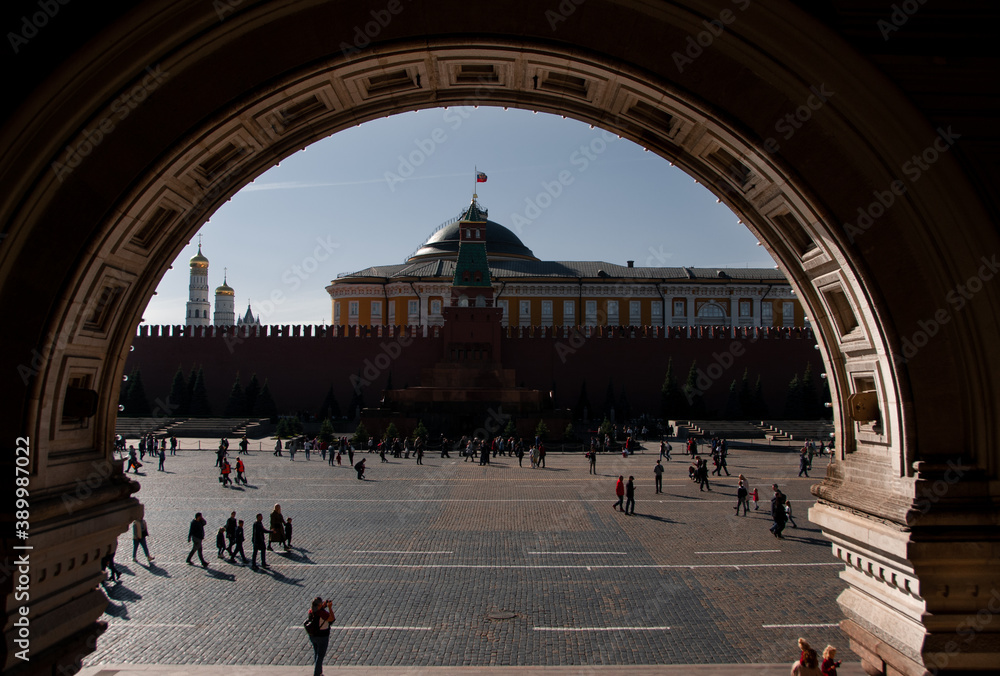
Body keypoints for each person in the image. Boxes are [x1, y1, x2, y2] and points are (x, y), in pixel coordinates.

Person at [306, 597, 335, 676]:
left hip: (313, 636)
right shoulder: (322, 613)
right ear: (319, 606)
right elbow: (331, 618)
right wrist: (330, 607)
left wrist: (324, 605)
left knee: (317, 654)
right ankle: (317, 674)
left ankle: (319, 672)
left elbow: (318, 610)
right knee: (320, 656)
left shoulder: (311, 611)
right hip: (322, 636)